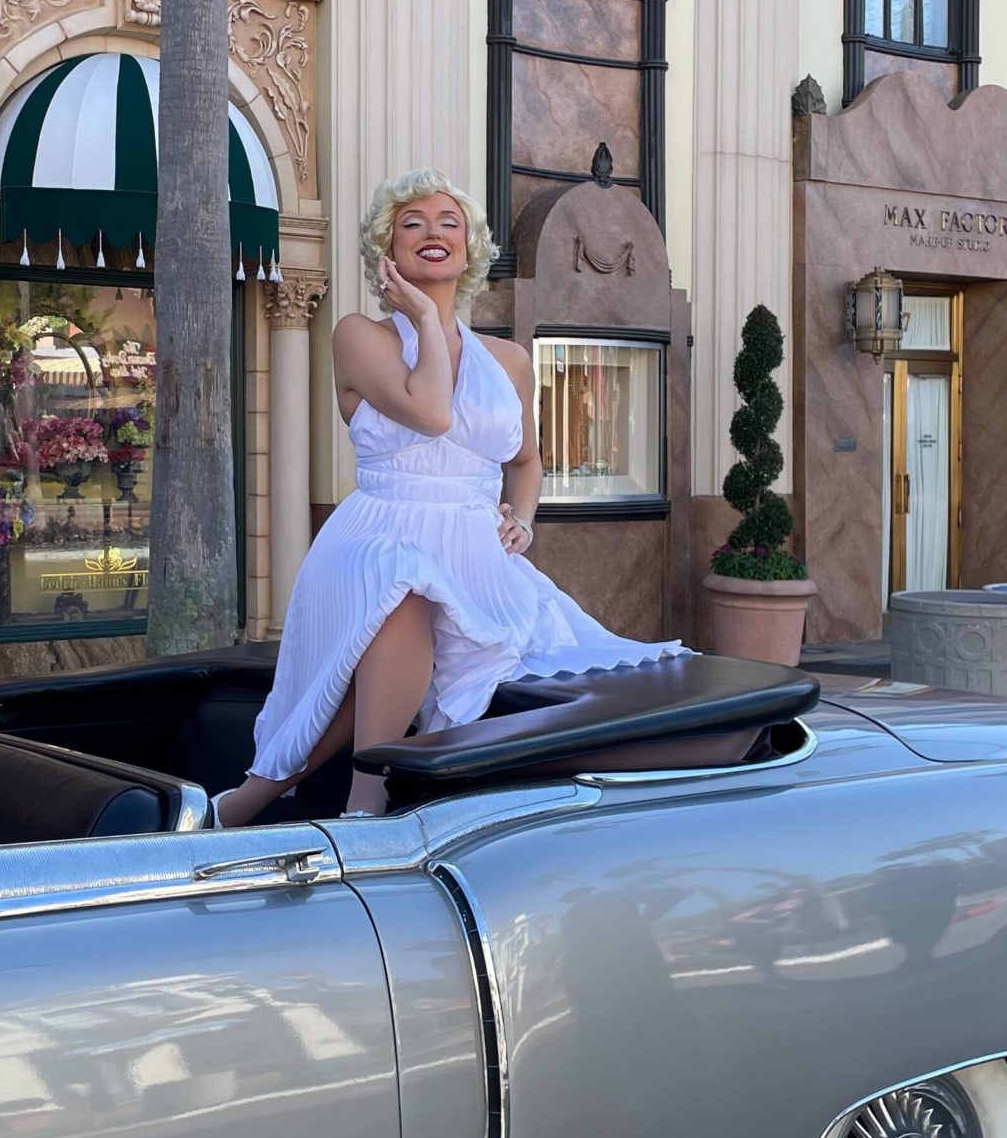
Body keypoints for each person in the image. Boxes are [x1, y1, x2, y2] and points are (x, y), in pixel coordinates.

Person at [216, 169, 684, 823]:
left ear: (469, 249)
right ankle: (363, 806)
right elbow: (431, 412)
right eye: (412, 223)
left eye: (448, 222)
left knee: (397, 639)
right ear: (389, 249)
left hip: (475, 548)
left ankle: (248, 802)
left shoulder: (511, 359)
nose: (431, 232)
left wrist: (522, 518)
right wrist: (422, 319)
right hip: (379, 532)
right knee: (406, 584)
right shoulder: (361, 335)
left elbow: (525, 461)